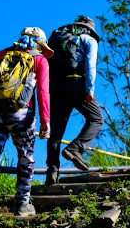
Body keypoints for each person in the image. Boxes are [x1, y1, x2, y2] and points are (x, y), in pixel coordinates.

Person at [0, 27, 53, 228]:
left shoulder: (3, 54)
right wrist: (45, 121)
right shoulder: (39, 60)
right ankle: (23, 203)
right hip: (22, 114)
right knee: (26, 157)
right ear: (41, 45)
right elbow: (43, 91)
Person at [45, 16, 104, 185]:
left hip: (55, 86)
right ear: (90, 29)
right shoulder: (88, 39)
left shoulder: (59, 37)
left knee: (56, 132)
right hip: (75, 82)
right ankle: (75, 148)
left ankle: (52, 173)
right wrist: (90, 90)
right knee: (96, 118)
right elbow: (90, 65)